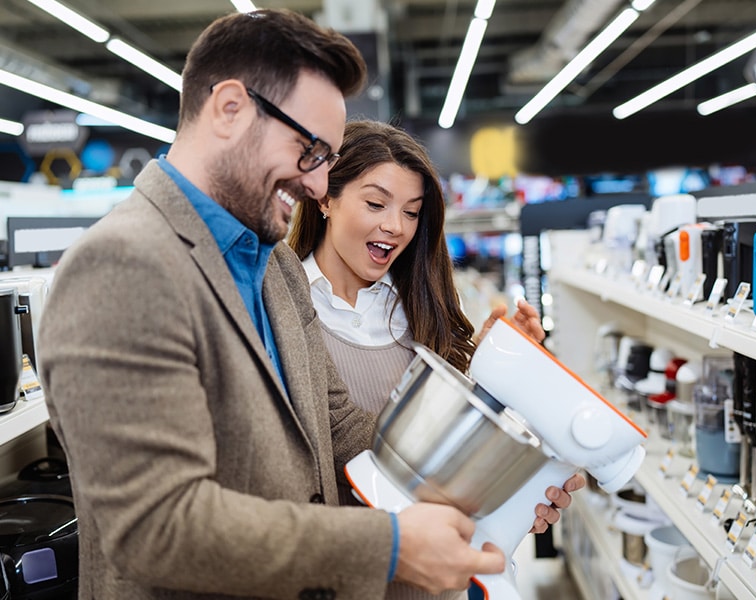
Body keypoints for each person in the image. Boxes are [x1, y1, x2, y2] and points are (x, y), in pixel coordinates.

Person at [38, 9, 577, 600]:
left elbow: (340, 427)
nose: (319, 185)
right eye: (310, 149)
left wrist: (498, 472)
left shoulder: (271, 265)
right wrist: (391, 545)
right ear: (229, 108)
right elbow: (158, 526)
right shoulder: (122, 265)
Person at [287, 119, 585, 600]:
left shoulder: (421, 307)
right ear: (325, 198)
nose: (395, 227)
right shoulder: (282, 308)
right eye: (376, 203)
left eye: (411, 212)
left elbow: (452, 455)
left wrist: (497, 374)